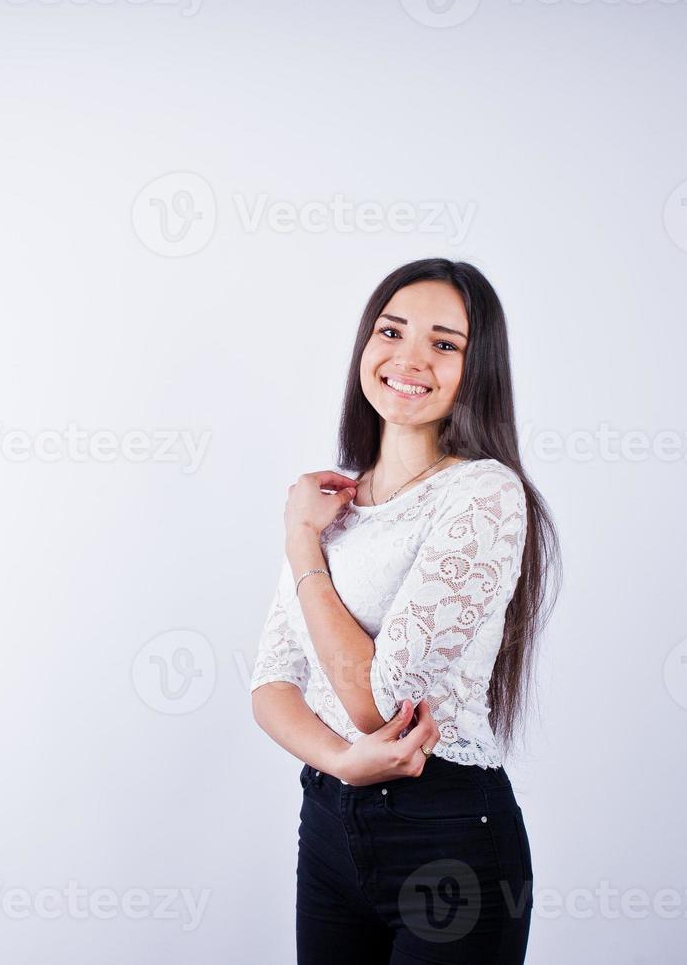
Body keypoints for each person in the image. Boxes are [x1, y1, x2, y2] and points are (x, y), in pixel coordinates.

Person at [249, 257, 560, 964]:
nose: (409, 358)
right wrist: (342, 763)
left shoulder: (481, 495)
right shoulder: (334, 502)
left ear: (476, 369)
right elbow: (269, 683)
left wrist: (302, 543)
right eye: (391, 331)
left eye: (444, 344)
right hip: (328, 825)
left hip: (445, 839)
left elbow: (376, 703)